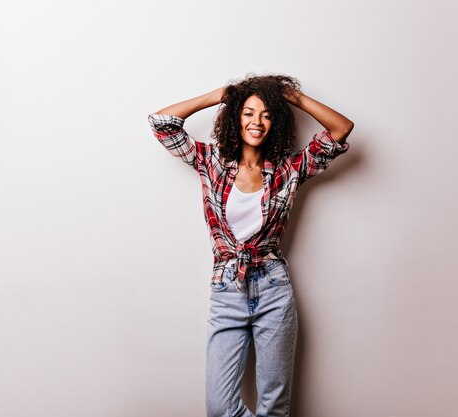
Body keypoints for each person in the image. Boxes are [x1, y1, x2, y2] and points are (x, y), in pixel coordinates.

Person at [148, 74, 354, 417]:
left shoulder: (290, 168)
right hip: (227, 287)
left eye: (266, 114)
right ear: (235, 118)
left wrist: (293, 98)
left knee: (274, 405)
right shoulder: (211, 162)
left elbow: (341, 129)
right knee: (219, 407)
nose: (257, 122)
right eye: (247, 113)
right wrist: (221, 95)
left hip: (274, 286)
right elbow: (162, 123)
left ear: (277, 122)